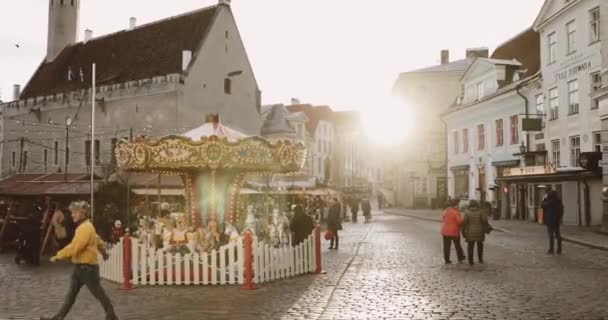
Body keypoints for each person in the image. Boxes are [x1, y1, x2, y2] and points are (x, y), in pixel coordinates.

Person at [41, 201, 118, 320]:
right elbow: (97, 240)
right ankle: (58, 318)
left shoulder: (85, 229)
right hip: (80, 268)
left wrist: (58, 256)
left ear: (83, 213)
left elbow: (75, 247)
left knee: (99, 294)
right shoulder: (87, 226)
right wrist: (104, 252)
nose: (72, 215)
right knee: (71, 296)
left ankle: (111, 315)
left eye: (74, 212)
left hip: (87, 269)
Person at [462, 200, 490, 265]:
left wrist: (463, 232)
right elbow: (485, 221)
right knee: (480, 246)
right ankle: (480, 260)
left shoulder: (467, 212)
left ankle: (471, 261)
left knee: (470, 247)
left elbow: (464, 223)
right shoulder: (481, 211)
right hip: (480, 232)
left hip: (470, 232)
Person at [441, 198, 465, 264]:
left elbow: (443, 218)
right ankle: (460, 258)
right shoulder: (456, 212)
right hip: (454, 231)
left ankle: (447, 260)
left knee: (446, 246)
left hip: (445, 231)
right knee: (457, 245)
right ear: (456, 205)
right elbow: (459, 221)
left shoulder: (445, 211)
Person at [541, 190, 564, 255]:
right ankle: (559, 250)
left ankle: (551, 250)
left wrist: (544, 199)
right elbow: (561, 211)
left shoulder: (548, 202)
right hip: (556, 221)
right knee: (558, 235)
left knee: (551, 236)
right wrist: (559, 218)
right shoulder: (559, 202)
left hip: (550, 221)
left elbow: (542, 205)